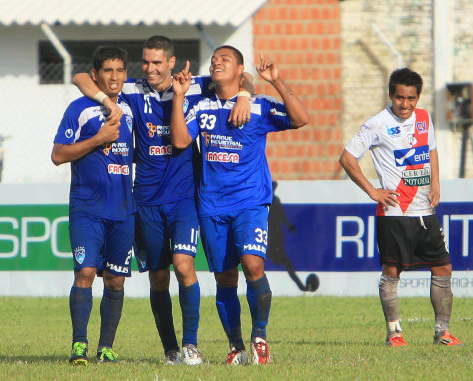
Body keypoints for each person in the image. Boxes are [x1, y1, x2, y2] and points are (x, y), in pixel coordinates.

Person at [72, 35, 253, 365]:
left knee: (184, 267)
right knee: (158, 277)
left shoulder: (196, 86)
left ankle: (191, 345)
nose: (150, 68)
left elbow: (242, 76)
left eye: (157, 62)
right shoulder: (131, 90)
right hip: (145, 201)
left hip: (185, 199)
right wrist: (106, 100)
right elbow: (80, 77)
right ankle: (170, 349)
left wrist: (245, 94)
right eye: (146, 62)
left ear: (171, 63)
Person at [171, 46, 309, 364]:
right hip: (211, 206)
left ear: (240, 69)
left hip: (250, 202)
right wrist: (178, 97)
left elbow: (301, 119)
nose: (217, 62)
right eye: (215, 59)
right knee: (225, 278)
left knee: (253, 264)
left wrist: (275, 80)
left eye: (226, 59)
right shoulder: (200, 103)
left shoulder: (258, 107)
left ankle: (259, 338)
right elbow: (180, 141)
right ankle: (236, 347)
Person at [339, 68, 463, 347]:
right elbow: (347, 158)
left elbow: (430, 150)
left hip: (425, 211)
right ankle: (394, 333)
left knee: (443, 267)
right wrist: (373, 190)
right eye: (399, 98)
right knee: (392, 272)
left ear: (418, 97)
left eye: (411, 98)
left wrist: (436, 184)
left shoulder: (424, 118)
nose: (405, 104)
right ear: (391, 95)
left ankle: (442, 332)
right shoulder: (376, 124)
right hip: (394, 212)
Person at [52, 46, 138, 364]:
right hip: (87, 208)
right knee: (86, 272)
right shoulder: (80, 108)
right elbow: (58, 155)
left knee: (115, 279)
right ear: (96, 75)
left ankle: (106, 348)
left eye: (119, 71)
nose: (114, 77)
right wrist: (98, 139)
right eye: (107, 71)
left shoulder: (132, 106)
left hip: (123, 210)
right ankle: (79, 345)